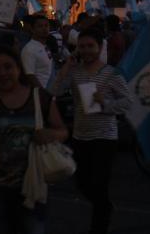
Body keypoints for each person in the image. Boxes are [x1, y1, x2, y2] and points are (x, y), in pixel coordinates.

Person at [0, 46, 67, 234]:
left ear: (19, 68)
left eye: (8, 67)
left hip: (32, 185)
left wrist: (51, 135)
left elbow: (63, 131)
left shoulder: (39, 98)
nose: (3, 73)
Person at [54, 28, 130, 234]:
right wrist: (65, 70)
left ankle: (99, 226)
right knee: (82, 182)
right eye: (82, 46)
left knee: (99, 183)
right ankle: (105, 207)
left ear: (100, 47)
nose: (86, 50)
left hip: (104, 137)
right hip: (80, 135)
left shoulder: (111, 73)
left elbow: (127, 101)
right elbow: (56, 91)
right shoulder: (76, 71)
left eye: (90, 46)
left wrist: (105, 103)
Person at [21, 16, 53, 88]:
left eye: (46, 25)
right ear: (32, 29)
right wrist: (42, 92)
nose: (44, 29)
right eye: (40, 26)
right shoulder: (29, 49)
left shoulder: (45, 46)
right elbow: (29, 75)